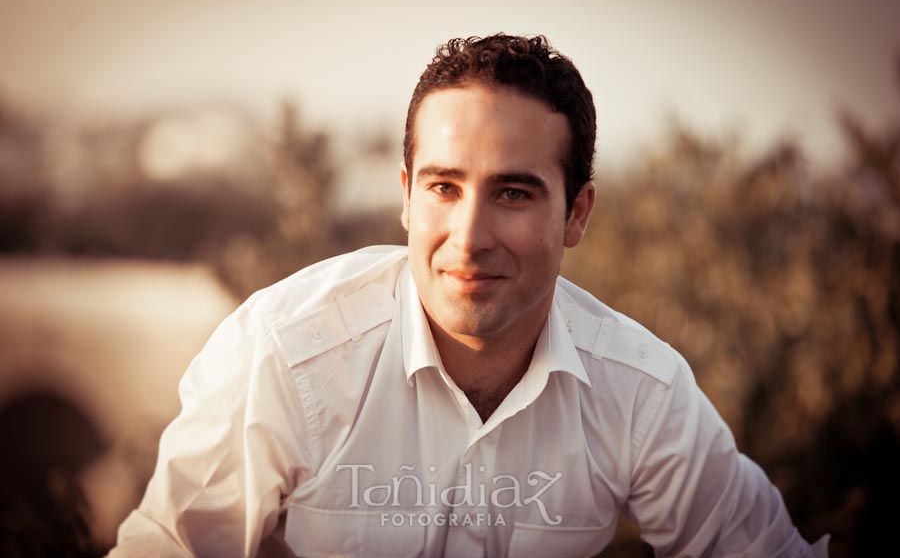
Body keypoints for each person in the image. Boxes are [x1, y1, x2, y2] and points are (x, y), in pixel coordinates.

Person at [110, 34, 829, 557]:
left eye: (513, 192)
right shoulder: (288, 354)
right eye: (444, 187)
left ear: (577, 214)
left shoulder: (640, 391)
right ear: (405, 196)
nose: (469, 234)